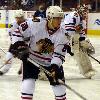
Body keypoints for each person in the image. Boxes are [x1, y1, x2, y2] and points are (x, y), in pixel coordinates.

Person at [9, 6, 71, 100]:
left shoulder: (64, 35)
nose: (59, 21)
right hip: (32, 58)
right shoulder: (35, 23)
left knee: (60, 89)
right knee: (28, 83)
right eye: (56, 18)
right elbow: (18, 32)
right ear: (49, 18)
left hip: (50, 62)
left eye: (60, 18)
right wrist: (19, 45)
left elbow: (58, 55)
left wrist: (54, 67)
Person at [61, 4, 96, 79]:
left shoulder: (82, 20)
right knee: (58, 54)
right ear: (79, 11)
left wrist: (83, 44)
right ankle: (45, 70)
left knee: (81, 52)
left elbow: (81, 33)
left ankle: (87, 71)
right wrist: (69, 44)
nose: (85, 14)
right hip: (62, 36)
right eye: (84, 12)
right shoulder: (73, 16)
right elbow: (68, 31)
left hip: (71, 35)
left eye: (86, 12)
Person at [0, 10, 26, 75]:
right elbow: (10, 34)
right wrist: (13, 44)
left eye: (20, 17)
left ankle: (22, 69)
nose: (19, 19)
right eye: (17, 18)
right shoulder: (12, 24)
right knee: (8, 56)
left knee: (26, 57)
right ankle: (4, 70)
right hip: (14, 43)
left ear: (23, 17)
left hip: (25, 43)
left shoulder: (28, 23)